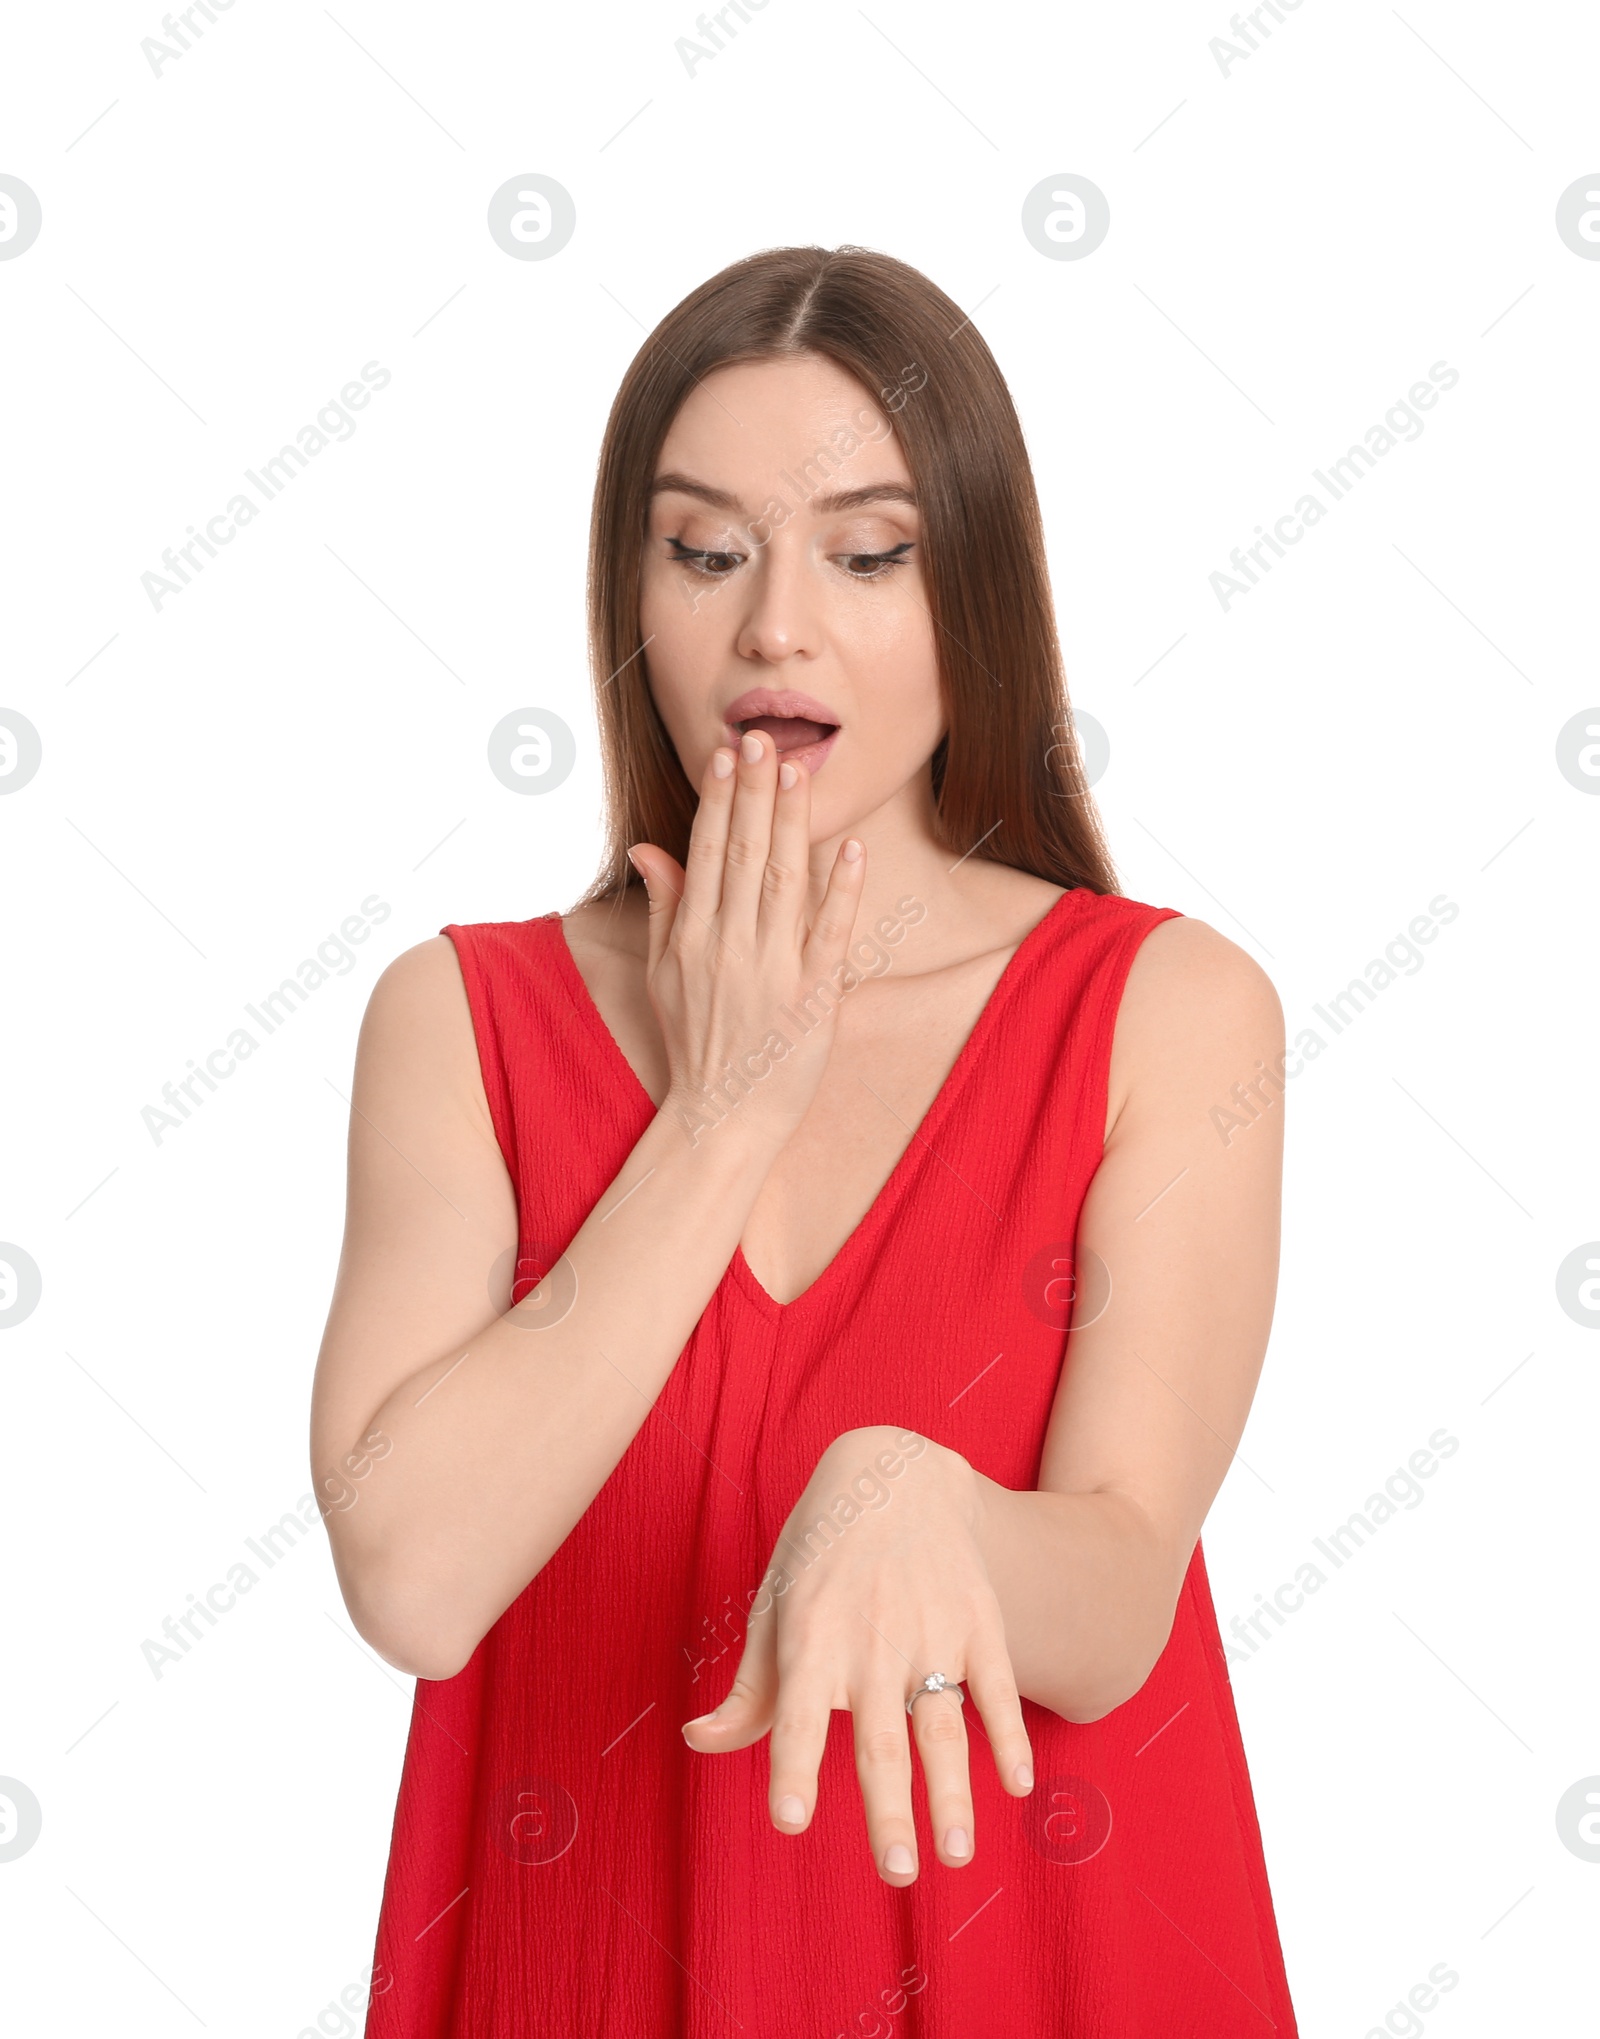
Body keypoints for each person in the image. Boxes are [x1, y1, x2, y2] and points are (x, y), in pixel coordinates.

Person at [310, 243, 1297, 2035]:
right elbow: (416, 1577)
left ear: (972, 596)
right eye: (705, 552)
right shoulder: (457, 1023)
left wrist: (926, 1508)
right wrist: (722, 1110)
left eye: (867, 554)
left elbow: (1121, 1584)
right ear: (633, 594)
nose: (777, 626)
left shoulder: (1165, 1011)